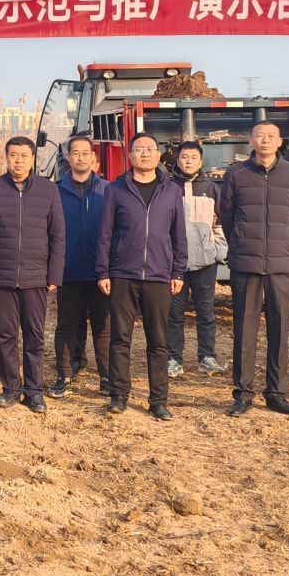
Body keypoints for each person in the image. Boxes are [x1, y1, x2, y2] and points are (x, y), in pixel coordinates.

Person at [217, 120, 289, 417]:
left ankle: (276, 392)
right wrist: (241, 241)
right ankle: (243, 393)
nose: (265, 140)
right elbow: (227, 215)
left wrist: (286, 242)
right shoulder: (236, 174)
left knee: (280, 330)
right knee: (245, 331)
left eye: (271, 136)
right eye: (260, 135)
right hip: (247, 262)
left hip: (282, 264)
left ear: (280, 142)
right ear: (251, 141)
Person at [94, 133, 187, 420]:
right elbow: (105, 233)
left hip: (159, 275)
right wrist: (103, 271)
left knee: (158, 341)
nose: (144, 154)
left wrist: (178, 270)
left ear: (158, 155)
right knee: (120, 338)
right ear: (130, 155)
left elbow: (178, 234)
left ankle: (158, 400)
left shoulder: (171, 190)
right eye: (139, 150)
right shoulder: (116, 189)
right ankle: (119, 395)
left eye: (150, 149)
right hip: (123, 273)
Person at [0, 135, 66, 413]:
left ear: (32, 159)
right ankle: (10, 388)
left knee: (35, 336)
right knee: (6, 334)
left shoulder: (48, 190)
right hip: (2, 275)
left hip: (36, 276)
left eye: (24, 156)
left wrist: (54, 275)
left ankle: (34, 390)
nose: (18, 161)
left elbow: (58, 236)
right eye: (13, 155)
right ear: (6, 157)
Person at [53, 135, 112, 398]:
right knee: (66, 325)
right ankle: (64, 375)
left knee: (103, 326)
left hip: (101, 272)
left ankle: (107, 377)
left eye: (85, 153)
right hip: (68, 271)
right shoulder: (56, 191)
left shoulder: (108, 190)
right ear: (68, 157)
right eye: (75, 153)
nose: (80, 157)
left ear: (93, 158)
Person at [167, 140, 226, 378]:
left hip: (205, 261)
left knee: (206, 311)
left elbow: (220, 223)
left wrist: (218, 251)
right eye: (184, 157)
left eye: (193, 157)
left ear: (201, 162)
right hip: (174, 264)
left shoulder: (211, 189)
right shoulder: (167, 187)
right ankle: (173, 358)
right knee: (173, 313)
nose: (188, 161)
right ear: (177, 159)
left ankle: (207, 357)